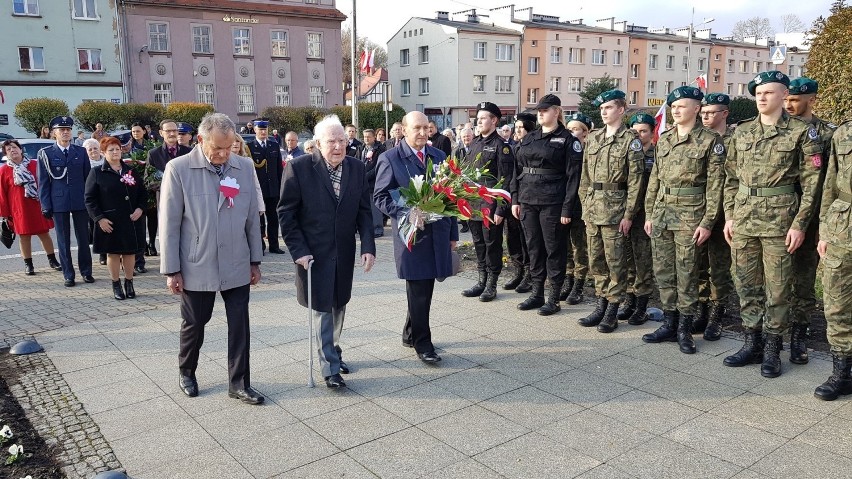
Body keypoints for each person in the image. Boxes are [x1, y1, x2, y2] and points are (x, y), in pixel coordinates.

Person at [722, 71, 822, 378]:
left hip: (780, 220)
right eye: (759, 93)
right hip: (744, 218)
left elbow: (812, 184)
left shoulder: (801, 132)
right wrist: (729, 216)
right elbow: (731, 178)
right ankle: (752, 341)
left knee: (778, 289)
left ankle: (772, 347)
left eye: (769, 92)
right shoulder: (742, 132)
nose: (762, 97)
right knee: (746, 283)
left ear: (783, 95)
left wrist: (799, 225)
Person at [159, 112, 264, 404]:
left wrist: (255, 260)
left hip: (236, 259)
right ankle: (187, 371)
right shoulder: (178, 169)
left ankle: (239, 382)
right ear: (201, 139)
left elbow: (252, 220)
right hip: (197, 261)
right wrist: (172, 270)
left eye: (228, 147)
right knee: (195, 321)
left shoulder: (242, 167)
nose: (223, 154)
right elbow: (169, 224)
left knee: (240, 323)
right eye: (217, 148)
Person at [278, 115, 376, 388]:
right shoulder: (299, 169)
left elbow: (364, 212)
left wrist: (368, 246)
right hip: (313, 254)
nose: (337, 146)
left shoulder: (356, 168)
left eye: (341, 140)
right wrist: (298, 250)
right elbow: (286, 214)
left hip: (343, 252)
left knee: (339, 303)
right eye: (331, 141)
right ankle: (329, 367)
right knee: (322, 307)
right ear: (318, 144)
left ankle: (332, 349)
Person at [641, 87, 725, 354]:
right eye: (673, 106)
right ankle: (669, 322)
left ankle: (685, 328)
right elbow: (655, 178)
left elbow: (716, 185)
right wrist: (650, 213)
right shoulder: (664, 138)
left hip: (691, 214)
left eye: (682, 106)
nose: (676, 110)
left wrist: (707, 222)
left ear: (697, 109)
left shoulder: (710, 140)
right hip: (663, 212)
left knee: (687, 273)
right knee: (664, 271)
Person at [374, 111, 458, 364]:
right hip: (412, 235)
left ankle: (410, 332)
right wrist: (407, 211)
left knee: (426, 286)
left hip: (438, 232)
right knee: (419, 287)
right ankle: (424, 343)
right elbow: (380, 196)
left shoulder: (440, 156)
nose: (423, 133)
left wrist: (453, 234)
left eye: (426, 128)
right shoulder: (390, 158)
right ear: (404, 130)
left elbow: (451, 197)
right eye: (417, 128)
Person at [510, 94, 583, 316]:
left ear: (557, 112)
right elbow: (517, 170)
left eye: (545, 109)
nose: (540, 113)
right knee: (533, 248)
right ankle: (537, 292)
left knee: (554, 250)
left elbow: (574, 178)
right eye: (539, 110)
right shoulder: (530, 137)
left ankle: (554, 297)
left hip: (553, 202)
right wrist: (515, 198)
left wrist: (567, 209)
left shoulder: (568, 140)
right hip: (528, 199)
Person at [578, 90, 644, 332]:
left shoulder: (630, 140)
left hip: (616, 210)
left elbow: (636, 181)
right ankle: (600, 303)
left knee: (616, 261)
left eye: (608, 107)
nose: (604, 112)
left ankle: (613, 309)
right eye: (602, 108)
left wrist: (629, 214)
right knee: (596, 260)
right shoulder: (593, 138)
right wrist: (585, 203)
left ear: (621, 109)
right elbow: (584, 176)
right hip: (593, 208)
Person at [785, 77, 836, 365]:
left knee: (803, 280)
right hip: (775, 214)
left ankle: (799, 335)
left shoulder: (828, 133)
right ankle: (772, 332)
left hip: (811, 216)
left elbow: (827, 182)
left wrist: (820, 224)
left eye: (795, 99)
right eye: (787, 98)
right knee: (774, 279)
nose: (789, 104)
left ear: (811, 100)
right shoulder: (777, 129)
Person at [461, 102, 515, 303]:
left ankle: (492, 284)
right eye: (478, 117)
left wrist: (501, 209)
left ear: (494, 120)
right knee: (478, 243)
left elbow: (506, 180)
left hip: (491, 205)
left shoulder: (502, 146)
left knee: (492, 243)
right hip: (474, 203)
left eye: (483, 117)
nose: (479, 121)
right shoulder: (474, 143)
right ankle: (481, 281)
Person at [815, 119, 852, 400]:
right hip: (842, 226)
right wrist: (825, 230)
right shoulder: (845, 131)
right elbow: (830, 182)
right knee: (837, 304)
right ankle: (842, 373)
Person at [85, 137, 146, 300]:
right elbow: (89, 199)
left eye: (117, 149)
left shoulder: (130, 170)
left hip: (130, 220)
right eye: (111, 150)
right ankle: (116, 284)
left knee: (129, 253)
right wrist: (99, 218)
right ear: (104, 153)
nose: (115, 152)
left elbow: (142, 193)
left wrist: (140, 208)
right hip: (109, 221)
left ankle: (129, 282)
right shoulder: (97, 172)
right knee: (113, 254)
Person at [696, 93, 736, 340]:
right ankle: (701, 309)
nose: (706, 117)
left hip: (725, 212)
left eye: (711, 112)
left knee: (719, 267)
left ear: (724, 113)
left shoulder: (736, 139)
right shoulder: (699, 139)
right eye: (703, 113)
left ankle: (717, 313)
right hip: (701, 209)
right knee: (699, 264)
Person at [38, 116, 94, 287]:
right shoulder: (46, 154)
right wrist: (45, 205)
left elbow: (88, 178)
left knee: (83, 239)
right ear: (54, 133)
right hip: (58, 202)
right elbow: (43, 183)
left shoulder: (80, 152)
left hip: (79, 200)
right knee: (63, 240)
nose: (65, 132)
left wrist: (91, 201)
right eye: (61, 130)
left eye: (68, 130)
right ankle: (68, 274)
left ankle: (86, 272)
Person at [617, 113, 657, 325]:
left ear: (652, 133)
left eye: (643, 131)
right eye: (635, 131)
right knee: (628, 259)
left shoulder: (657, 154)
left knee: (643, 262)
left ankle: (641, 306)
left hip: (644, 215)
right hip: (624, 213)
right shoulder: (625, 153)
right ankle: (629, 301)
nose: (639, 135)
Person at [0, 139, 62, 275]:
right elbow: (2, 193)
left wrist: (50, 203)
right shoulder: (4, 170)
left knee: (44, 234)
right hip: (18, 209)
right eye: (8, 149)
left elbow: (46, 184)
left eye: (14, 147)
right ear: (6, 154)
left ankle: (53, 260)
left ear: (21, 149)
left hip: (37, 205)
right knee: (24, 236)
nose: (12, 150)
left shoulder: (35, 164)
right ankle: (29, 264)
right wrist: (4, 213)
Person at [560, 112, 593, 305]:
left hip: (581, 205)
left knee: (579, 247)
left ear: (585, 132)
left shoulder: (589, 152)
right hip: (565, 202)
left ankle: (578, 285)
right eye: (569, 128)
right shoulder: (564, 149)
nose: (571, 132)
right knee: (565, 245)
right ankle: (568, 280)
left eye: (575, 129)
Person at [146, 119, 192, 256]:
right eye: (168, 131)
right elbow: (149, 180)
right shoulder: (154, 154)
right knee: (168, 233)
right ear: (161, 133)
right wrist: (169, 185)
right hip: (165, 200)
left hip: (188, 200)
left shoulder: (189, 152)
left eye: (174, 130)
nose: (172, 133)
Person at [505, 112, 535, 292]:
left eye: (520, 128)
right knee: (513, 238)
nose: (517, 131)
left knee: (528, 240)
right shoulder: (515, 147)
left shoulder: (533, 147)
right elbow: (512, 176)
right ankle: (519, 270)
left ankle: (530, 274)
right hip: (514, 197)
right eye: (515, 128)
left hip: (528, 198)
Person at [248, 119, 285, 255]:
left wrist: (281, 187)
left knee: (273, 218)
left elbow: (279, 169)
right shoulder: (250, 147)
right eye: (261, 129)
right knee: (259, 220)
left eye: (265, 129)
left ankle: (274, 245)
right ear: (255, 130)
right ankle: (260, 246)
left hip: (273, 189)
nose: (263, 132)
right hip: (259, 190)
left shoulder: (273, 146)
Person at [356, 128, 386, 237]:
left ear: (374, 137)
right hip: (362, 182)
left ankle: (378, 229)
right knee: (364, 206)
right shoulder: (361, 148)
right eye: (364, 137)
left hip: (374, 182)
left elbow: (378, 167)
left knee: (375, 206)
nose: (366, 139)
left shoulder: (380, 149)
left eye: (369, 136)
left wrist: (365, 176)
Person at [83, 138, 108, 266]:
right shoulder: (84, 164)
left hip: (107, 198)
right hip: (93, 200)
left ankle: (110, 252)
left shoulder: (106, 161)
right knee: (95, 227)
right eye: (90, 149)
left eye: (95, 148)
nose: (93, 151)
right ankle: (102, 253)